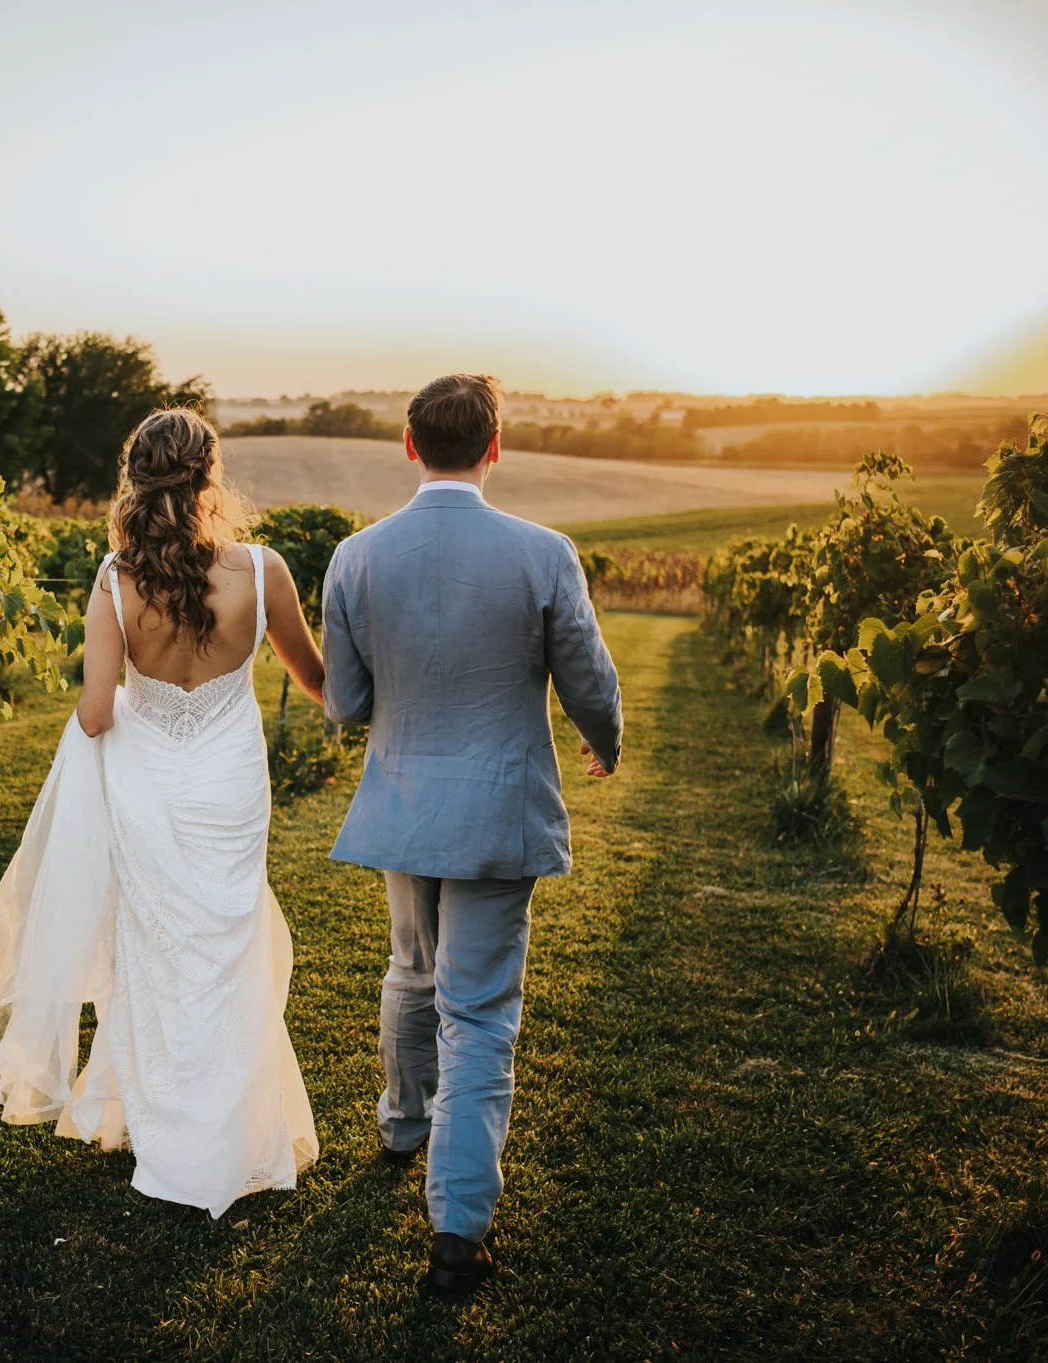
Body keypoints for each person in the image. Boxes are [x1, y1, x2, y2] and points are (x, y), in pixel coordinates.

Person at [0, 407, 322, 1217]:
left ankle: (164, 1127)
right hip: (231, 784)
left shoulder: (115, 580)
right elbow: (316, 678)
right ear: (210, 476)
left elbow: (94, 714)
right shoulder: (265, 572)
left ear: (137, 478)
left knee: (156, 947)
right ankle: (232, 1131)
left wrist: (128, 690)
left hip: (151, 782)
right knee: (226, 943)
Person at [321, 373, 623, 1291]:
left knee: (412, 967)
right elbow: (590, 677)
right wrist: (603, 739)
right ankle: (458, 1229)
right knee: (479, 1008)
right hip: (497, 811)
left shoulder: (354, 557)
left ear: (410, 445)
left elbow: (345, 703)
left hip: (404, 804)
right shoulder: (544, 552)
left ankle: (402, 1124)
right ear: (496, 446)